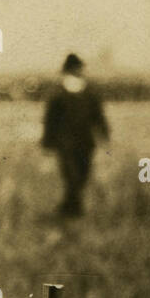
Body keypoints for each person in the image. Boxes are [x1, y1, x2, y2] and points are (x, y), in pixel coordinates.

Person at [42, 54, 109, 217]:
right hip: (65, 144)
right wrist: (47, 144)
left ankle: (67, 208)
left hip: (86, 143)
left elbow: (98, 117)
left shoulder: (90, 93)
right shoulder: (58, 95)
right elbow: (50, 121)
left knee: (83, 176)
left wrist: (104, 135)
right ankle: (74, 211)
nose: (79, 72)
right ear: (68, 71)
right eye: (76, 69)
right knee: (71, 177)